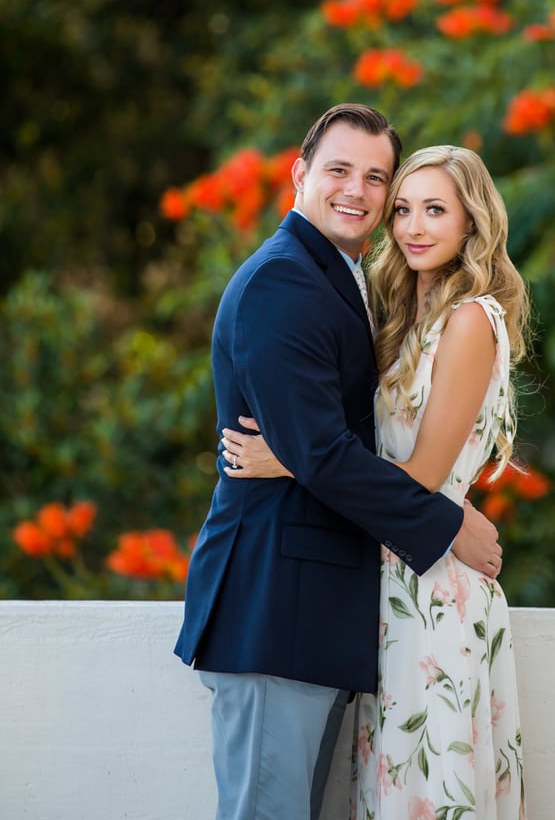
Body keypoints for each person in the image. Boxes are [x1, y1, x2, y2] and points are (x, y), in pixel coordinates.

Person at [174, 105, 504, 820]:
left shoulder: (349, 280)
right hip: (274, 613)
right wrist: (446, 523)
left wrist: (297, 458)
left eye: (376, 177)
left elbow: (333, 447)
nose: (357, 190)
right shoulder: (283, 282)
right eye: (339, 170)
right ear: (300, 173)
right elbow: (324, 452)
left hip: (318, 619)